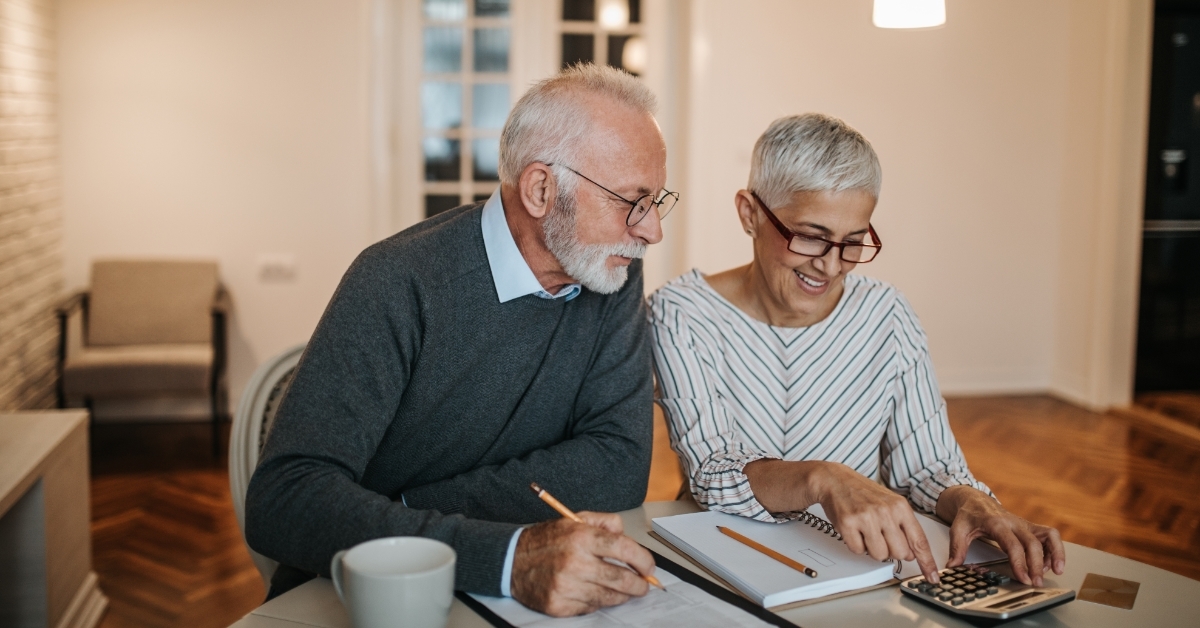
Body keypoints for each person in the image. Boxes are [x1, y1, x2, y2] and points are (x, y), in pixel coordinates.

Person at [246, 64, 679, 617]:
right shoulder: (397, 280)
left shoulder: (610, 272)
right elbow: (285, 499)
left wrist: (405, 511)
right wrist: (505, 554)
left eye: (657, 201)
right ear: (542, 189)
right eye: (631, 201)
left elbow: (617, 467)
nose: (651, 231)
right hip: (367, 598)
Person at [649, 113, 1064, 587]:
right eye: (810, 236)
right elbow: (712, 472)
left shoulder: (887, 315)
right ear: (750, 213)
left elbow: (927, 466)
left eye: (852, 242)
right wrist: (823, 479)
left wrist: (974, 502)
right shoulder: (681, 313)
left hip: (858, 567)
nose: (830, 266)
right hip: (725, 562)